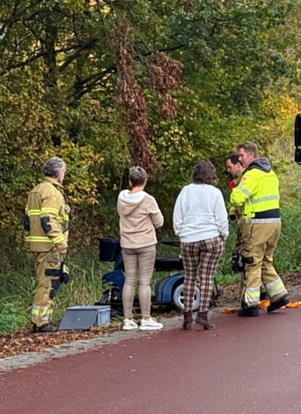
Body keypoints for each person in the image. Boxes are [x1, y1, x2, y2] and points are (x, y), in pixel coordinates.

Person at [231, 142, 289, 317]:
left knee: (251, 262)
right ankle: (279, 296)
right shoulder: (270, 173)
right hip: (274, 224)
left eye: (241, 156)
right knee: (265, 261)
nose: (239, 159)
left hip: (257, 224)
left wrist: (237, 185)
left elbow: (237, 197)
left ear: (250, 155)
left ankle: (250, 305)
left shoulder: (252, 175)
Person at [173, 160, 229, 330]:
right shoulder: (215, 192)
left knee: (189, 276)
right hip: (211, 238)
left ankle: (187, 314)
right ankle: (203, 315)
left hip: (188, 239)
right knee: (207, 277)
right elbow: (221, 218)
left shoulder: (185, 191)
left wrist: (181, 233)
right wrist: (223, 236)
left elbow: (177, 215)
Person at [24, 157, 70, 333]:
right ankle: (42, 322)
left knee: (43, 282)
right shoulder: (52, 193)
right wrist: (60, 243)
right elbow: (47, 219)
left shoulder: (35, 191)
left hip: (37, 246)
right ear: (58, 174)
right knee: (49, 285)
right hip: (50, 247)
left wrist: (30, 239)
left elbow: (27, 221)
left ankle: (40, 319)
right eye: (64, 173)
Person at [117, 166, 164, 331]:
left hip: (127, 244)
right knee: (144, 282)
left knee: (129, 281)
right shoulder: (148, 199)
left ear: (130, 181)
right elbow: (159, 222)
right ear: (145, 181)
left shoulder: (121, 198)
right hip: (146, 244)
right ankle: (145, 318)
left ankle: (127, 320)